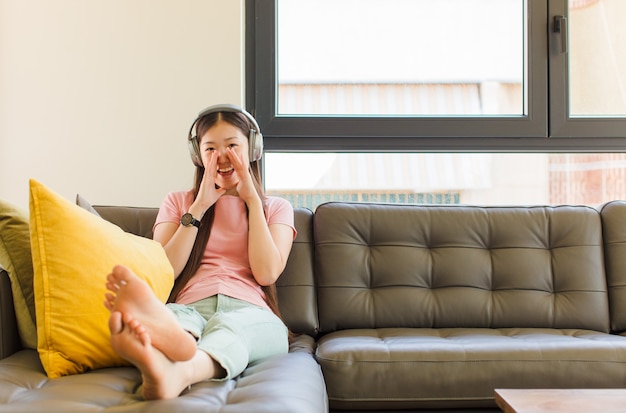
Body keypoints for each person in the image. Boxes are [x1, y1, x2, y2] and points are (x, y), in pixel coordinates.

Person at [103, 104, 296, 400]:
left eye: (232, 145)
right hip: (192, 303)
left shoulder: (275, 208)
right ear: (197, 156)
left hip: (252, 310)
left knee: (234, 328)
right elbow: (167, 270)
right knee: (178, 317)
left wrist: (253, 202)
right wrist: (200, 207)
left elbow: (266, 272)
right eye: (210, 149)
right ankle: (172, 340)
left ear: (252, 149)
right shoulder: (179, 202)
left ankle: (177, 369)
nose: (221, 157)